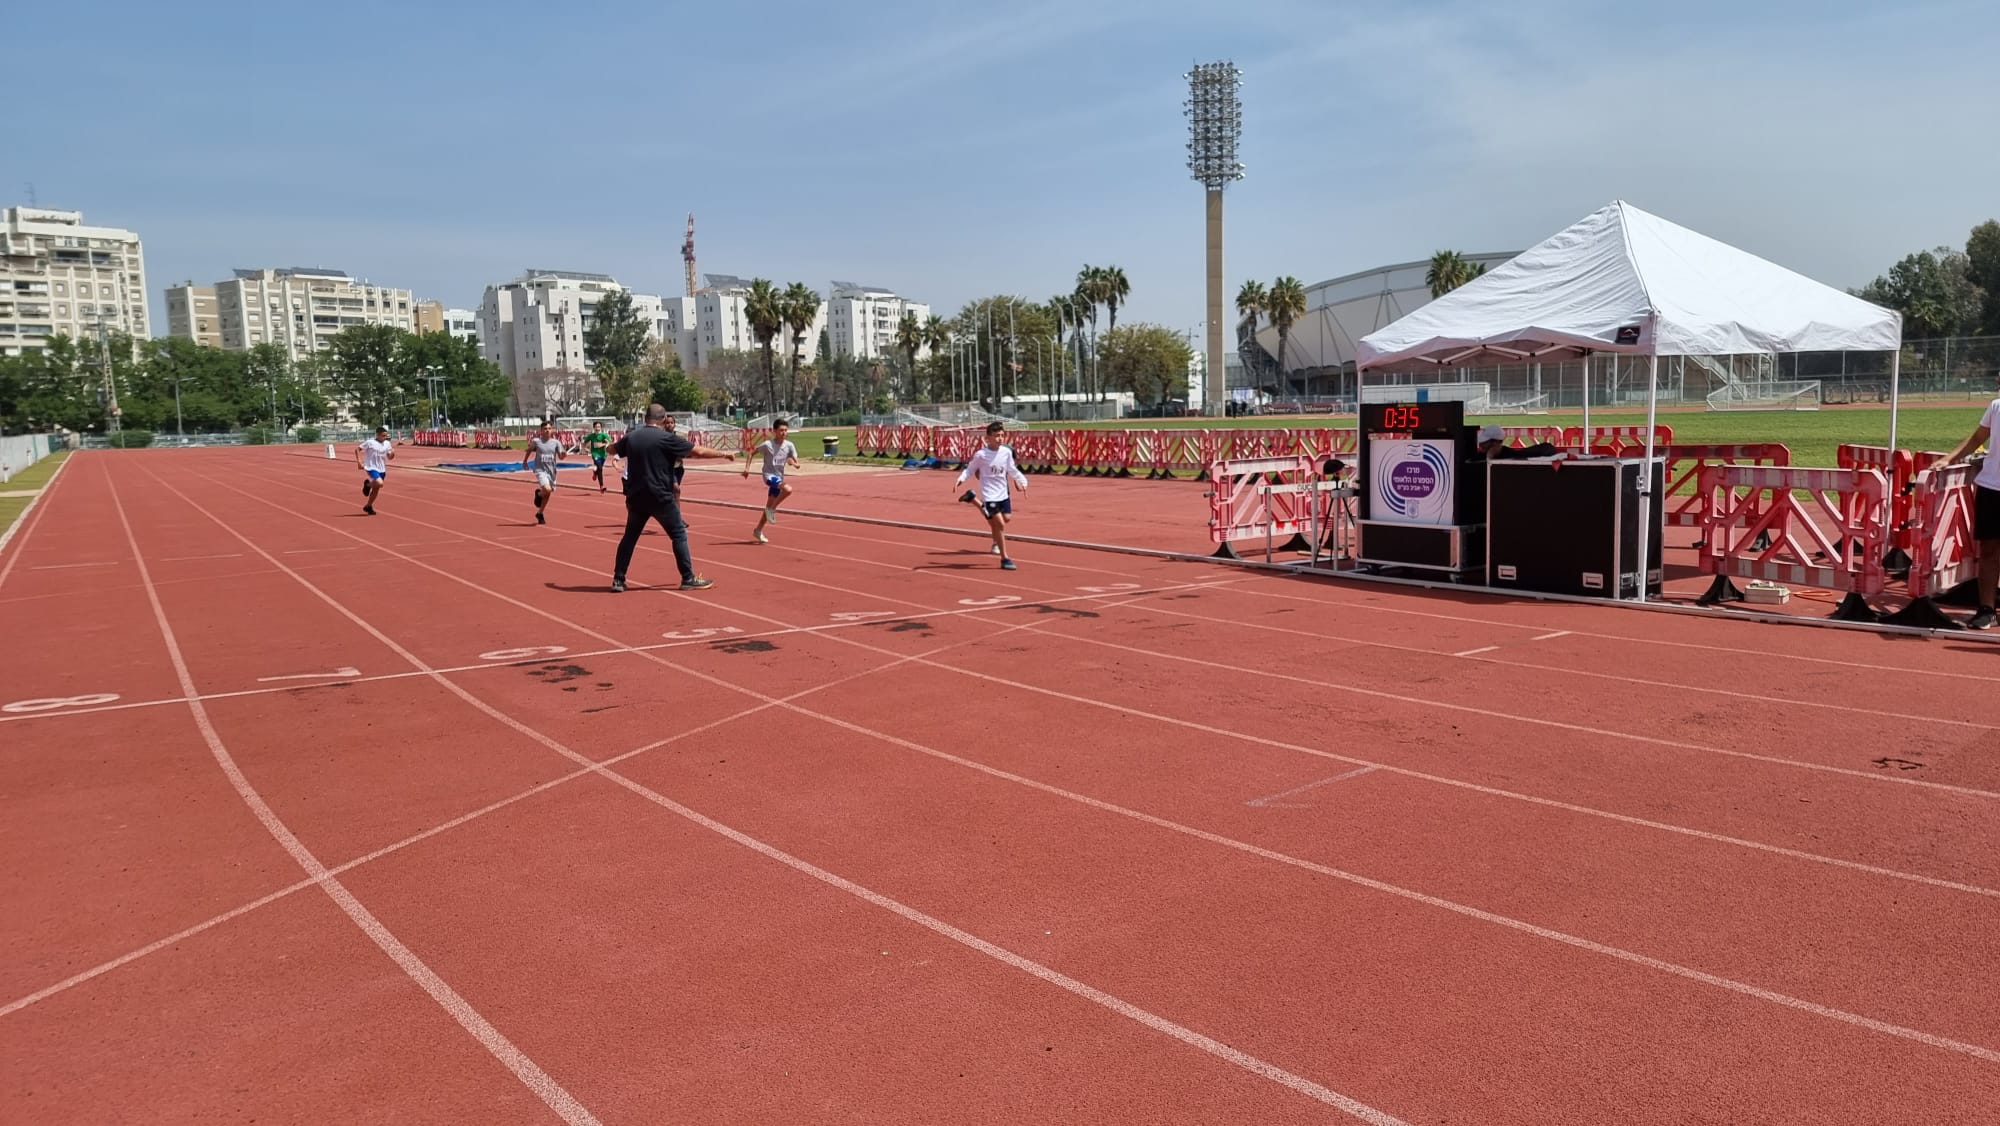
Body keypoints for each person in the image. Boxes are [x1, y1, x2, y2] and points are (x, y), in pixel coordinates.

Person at [610, 403, 734, 592]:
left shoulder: (632, 437)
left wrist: (607, 446)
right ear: (663, 419)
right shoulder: (667, 438)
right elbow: (699, 452)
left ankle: (618, 580)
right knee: (678, 534)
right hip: (660, 496)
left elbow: (612, 450)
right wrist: (724, 453)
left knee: (629, 537)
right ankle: (688, 577)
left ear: (645, 418)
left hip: (636, 496)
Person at [1944, 374, 2000, 629]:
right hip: (1992, 486)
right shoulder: (1996, 406)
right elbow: (1977, 438)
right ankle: (1987, 609)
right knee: (1988, 550)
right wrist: (1949, 458)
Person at [952, 420, 1029, 570]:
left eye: (1002, 435)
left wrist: (1023, 482)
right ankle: (1005, 558)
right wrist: (960, 480)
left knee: (1006, 519)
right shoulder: (981, 455)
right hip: (989, 494)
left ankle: (973, 500)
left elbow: (1012, 469)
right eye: (996, 436)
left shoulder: (1006, 452)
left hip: (1003, 493)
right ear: (987, 438)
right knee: (999, 524)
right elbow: (970, 469)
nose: (999, 438)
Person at [743, 418, 801, 543]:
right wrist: (747, 469)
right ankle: (772, 510)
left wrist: (793, 463)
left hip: (779, 477)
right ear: (774, 431)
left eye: (786, 430)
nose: (784, 433)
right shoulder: (767, 445)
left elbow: (797, 463)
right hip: (769, 476)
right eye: (781, 430)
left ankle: (758, 530)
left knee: (768, 505)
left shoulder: (789, 445)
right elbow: (751, 453)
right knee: (788, 489)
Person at [522, 421, 563, 525]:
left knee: (548, 493)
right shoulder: (537, 441)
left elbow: (561, 456)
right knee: (547, 489)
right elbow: (529, 450)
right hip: (540, 470)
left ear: (552, 430)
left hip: (551, 471)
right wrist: (525, 461)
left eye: (549, 428)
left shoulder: (556, 443)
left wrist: (564, 455)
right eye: (545, 429)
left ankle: (540, 513)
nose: (547, 430)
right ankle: (539, 493)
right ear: (541, 431)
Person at [355, 425, 394, 515]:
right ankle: (368, 485)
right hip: (371, 467)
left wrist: (393, 454)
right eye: (383, 435)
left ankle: (368, 506)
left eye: (386, 435)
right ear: (378, 434)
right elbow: (357, 449)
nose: (385, 437)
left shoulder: (387, 443)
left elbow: (389, 457)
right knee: (380, 483)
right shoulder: (370, 442)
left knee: (376, 489)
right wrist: (359, 462)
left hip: (382, 469)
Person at [1475, 424, 1561, 460]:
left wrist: (1490, 457)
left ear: (1495, 442)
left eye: (1484, 442)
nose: (1480, 444)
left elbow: (1548, 448)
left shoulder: (1511, 455)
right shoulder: (1480, 455)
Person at [585, 423, 613, 492]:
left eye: (599, 426)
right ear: (594, 427)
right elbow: (585, 442)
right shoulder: (591, 436)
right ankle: (601, 486)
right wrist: (586, 448)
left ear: (601, 427)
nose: (597, 428)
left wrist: (603, 444)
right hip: (595, 454)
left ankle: (595, 472)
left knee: (598, 468)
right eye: (596, 426)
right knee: (600, 468)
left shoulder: (604, 435)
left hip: (603, 455)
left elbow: (610, 442)